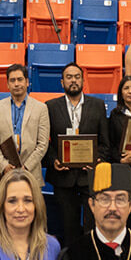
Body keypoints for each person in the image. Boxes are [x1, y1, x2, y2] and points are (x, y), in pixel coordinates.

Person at [45, 63, 109, 242]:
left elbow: (105, 143)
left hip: (90, 176)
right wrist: (54, 161)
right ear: (62, 82)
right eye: (69, 77)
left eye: (77, 77)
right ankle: (71, 258)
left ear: (82, 80)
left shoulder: (97, 105)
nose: (73, 80)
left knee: (92, 228)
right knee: (68, 229)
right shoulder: (50, 107)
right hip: (63, 177)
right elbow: (44, 143)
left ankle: (90, 255)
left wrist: (97, 160)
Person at [0, 64, 49, 180]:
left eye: (20, 79)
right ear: (7, 84)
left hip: (32, 174)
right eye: (12, 80)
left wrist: (26, 167)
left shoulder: (41, 108)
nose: (16, 84)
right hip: (5, 174)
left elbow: (43, 144)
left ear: (27, 82)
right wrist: (4, 165)